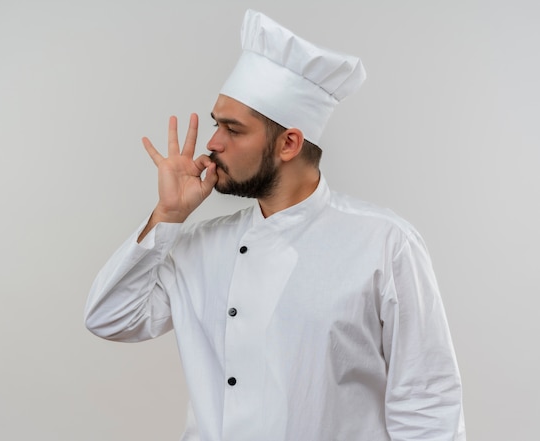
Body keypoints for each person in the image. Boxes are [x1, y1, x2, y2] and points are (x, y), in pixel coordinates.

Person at [85, 9, 466, 441]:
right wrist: (167, 216)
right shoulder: (199, 246)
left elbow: (427, 401)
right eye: (216, 124)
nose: (213, 143)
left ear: (289, 144)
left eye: (233, 129)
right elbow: (109, 318)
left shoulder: (384, 243)